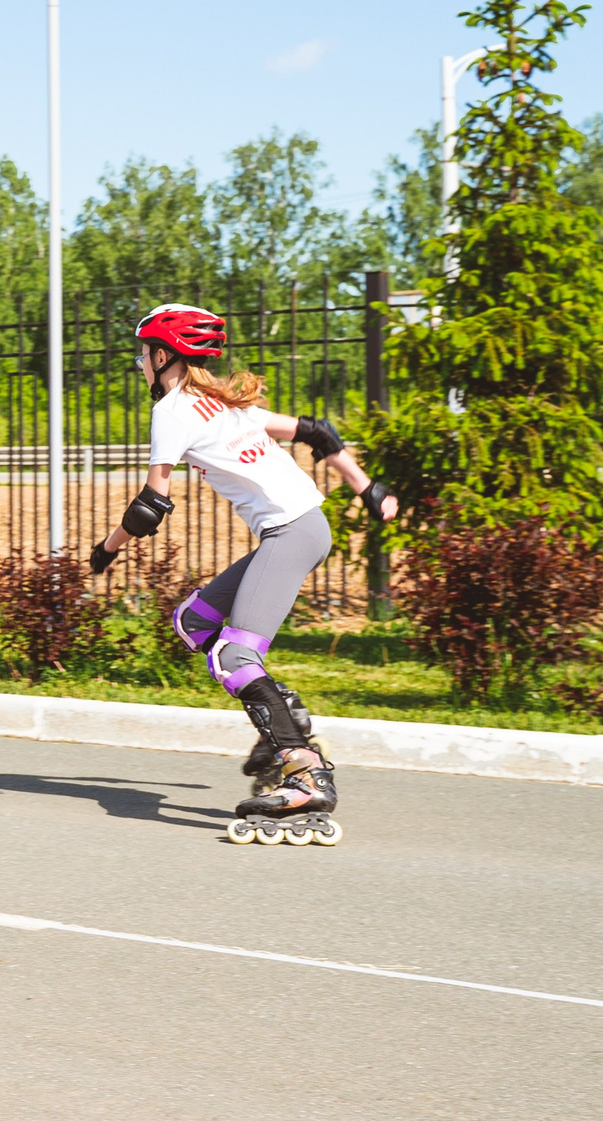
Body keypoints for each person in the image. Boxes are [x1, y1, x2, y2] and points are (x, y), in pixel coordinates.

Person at [88, 305, 397, 843]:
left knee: (234, 656)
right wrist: (367, 487)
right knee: (194, 621)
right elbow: (318, 432)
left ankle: (304, 769)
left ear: (163, 357)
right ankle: (286, 720)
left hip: (290, 533)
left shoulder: (173, 410)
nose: (140, 364)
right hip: (303, 527)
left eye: (143, 354)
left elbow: (150, 506)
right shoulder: (223, 402)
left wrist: (107, 548)